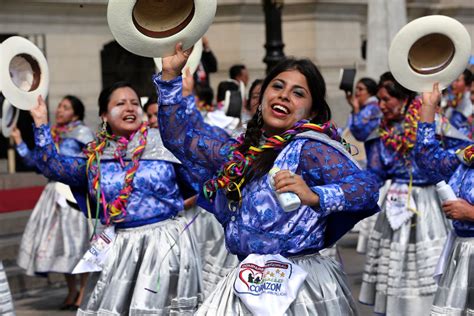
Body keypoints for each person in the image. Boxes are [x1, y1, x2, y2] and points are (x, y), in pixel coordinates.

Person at [155, 44, 380, 315]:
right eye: (277, 87)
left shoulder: (311, 148)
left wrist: (316, 195)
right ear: (262, 98)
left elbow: (366, 188)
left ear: (312, 112)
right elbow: (179, 137)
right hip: (246, 282)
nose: (284, 96)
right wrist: (169, 76)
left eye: (298, 93)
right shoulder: (237, 152)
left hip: (301, 290)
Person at [28, 82, 202, 315]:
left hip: (165, 244)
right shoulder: (96, 157)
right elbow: (54, 167)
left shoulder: (164, 143)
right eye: (120, 103)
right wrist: (40, 123)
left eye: (133, 103)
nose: (130, 108)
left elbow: (199, 174)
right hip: (120, 247)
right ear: (104, 115)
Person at [358, 77, 468, 315]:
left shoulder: (435, 124)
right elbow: (375, 171)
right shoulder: (381, 130)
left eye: (387, 99)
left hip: (429, 201)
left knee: (428, 266)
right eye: (379, 100)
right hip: (396, 197)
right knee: (395, 263)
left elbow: (457, 154)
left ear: (404, 100)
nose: (382, 105)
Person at [11, 95, 93, 310]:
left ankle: (83, 292)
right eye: (59, 106)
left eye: (65, 107)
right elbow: (37, 164)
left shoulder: (83, 133)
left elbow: (91, 162)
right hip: (53, 197)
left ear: (75, 113)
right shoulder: (52, 134)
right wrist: (19, 141)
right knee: (61, 245)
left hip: (73, 195)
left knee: (79, 245)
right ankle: (71, 291)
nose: (59, 110)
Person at [414, 83, 473, 315]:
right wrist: (428, 106)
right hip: (462, 254)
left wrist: (470, 213)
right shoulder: (469, 154)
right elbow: (428, 158)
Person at [347, 77, 381, 142]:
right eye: (356, 88)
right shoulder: (364, 107)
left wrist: (356, 109)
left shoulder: (373, 108)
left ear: (370, 92)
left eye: (360, 89)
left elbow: (359, 128)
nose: (357, 92)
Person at [443, 69, 473, 137]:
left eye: (457, 80)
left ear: (467, 84)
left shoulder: (469, 103)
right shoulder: (457, 99)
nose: (453, 83)